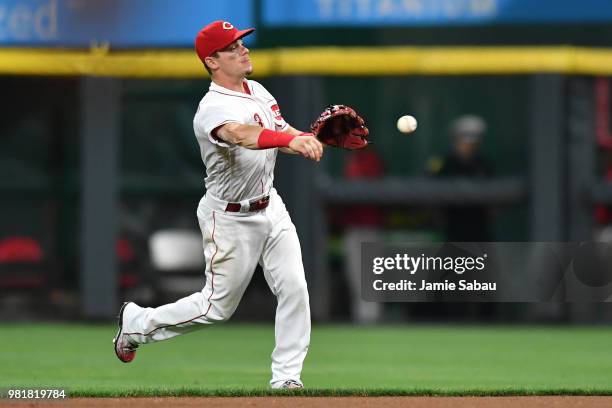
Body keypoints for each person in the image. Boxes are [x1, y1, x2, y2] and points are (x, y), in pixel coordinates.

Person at [112, 20, 324, 390]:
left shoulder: (256, 89)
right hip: (229, 217)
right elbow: (242, 135)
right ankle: (137, 323)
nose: (243, 49)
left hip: (270, 206)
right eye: (232, 47)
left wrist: (310, 137)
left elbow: (281, 127)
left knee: (295, 287)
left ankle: (287, 377)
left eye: (242, 42)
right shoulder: (211, 108)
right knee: (216, 307)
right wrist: (290, 143)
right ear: (212, 61)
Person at [429, 114, 493, 242]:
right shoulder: (443, 162)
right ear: (456, 140)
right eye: (464, 141)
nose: (468, 146)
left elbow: (493, 201)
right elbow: (426, 185)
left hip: (478, 225)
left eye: (473, 142)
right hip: (451, 224)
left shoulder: (483, 163)